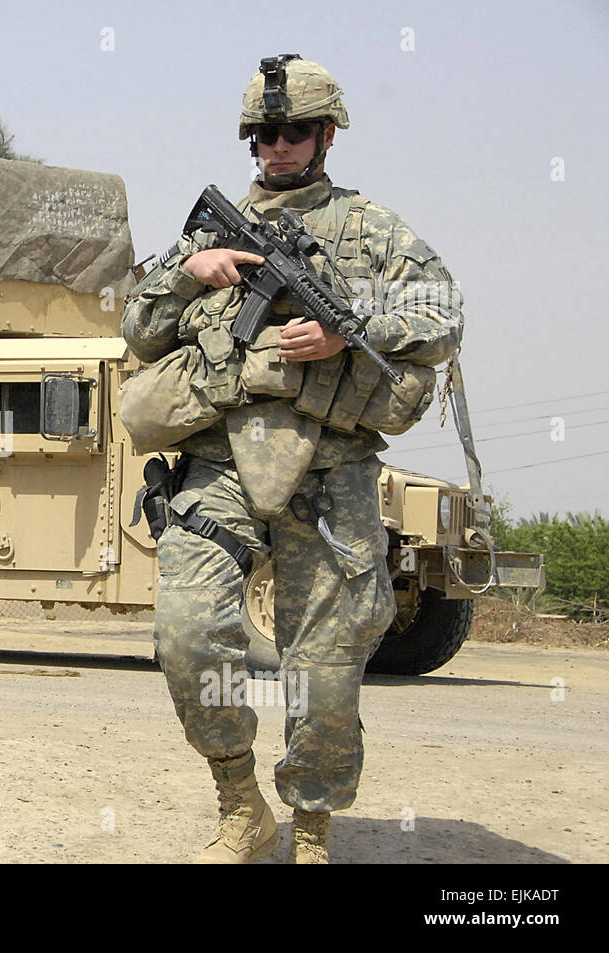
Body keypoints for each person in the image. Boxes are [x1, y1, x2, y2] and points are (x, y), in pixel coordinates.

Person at [121, 55, 462, 863]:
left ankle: (311, 828)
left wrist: (354, 330)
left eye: (295, 131)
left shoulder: (373, 229)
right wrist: (188, 274)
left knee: (327, 664)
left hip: (329, 474)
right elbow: (137, 327)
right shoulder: (212, 231)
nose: (278, 146)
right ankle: (241, 805)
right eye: (265, 134)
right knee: (187, 634)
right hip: (219, 465)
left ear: (327, 135)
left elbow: (443, 312)